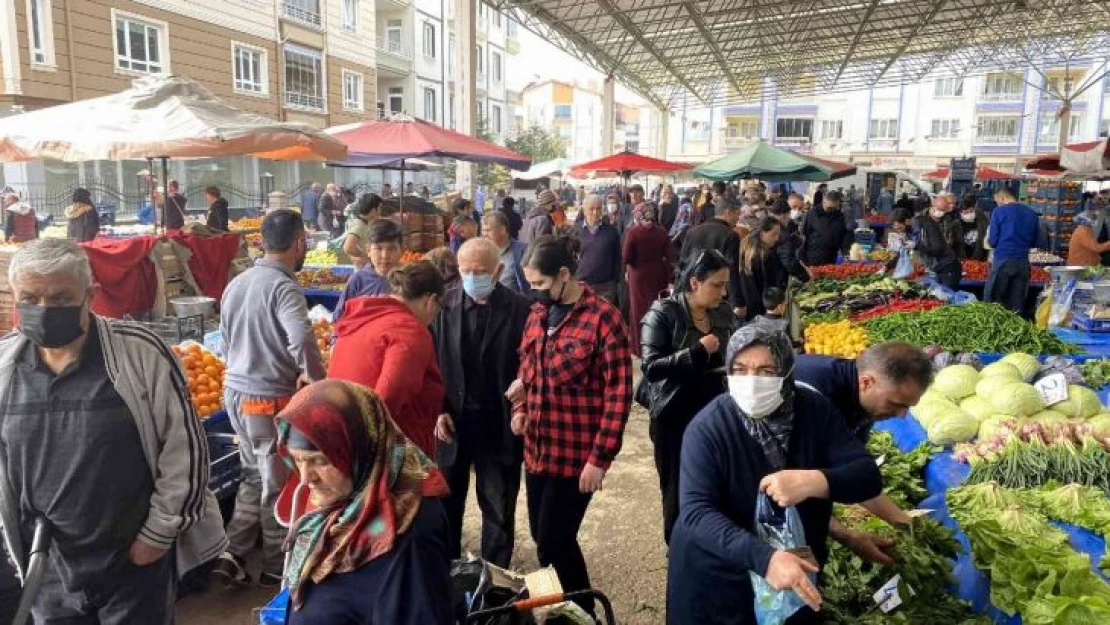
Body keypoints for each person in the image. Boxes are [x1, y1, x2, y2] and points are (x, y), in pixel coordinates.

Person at [0, 239, 226, 623]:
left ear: (90, 296)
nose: (43, 309)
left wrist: (156, 536)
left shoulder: (141, 354)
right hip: (46, 567)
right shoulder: (5, 367)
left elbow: (185, 451)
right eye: (30, 298)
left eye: (59, 298)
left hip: (132, 563)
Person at [666, 325, 884, 625]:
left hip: (795, 569)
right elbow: (696, 513)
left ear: (786, 372)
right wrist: (764, 558)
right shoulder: (708, 428)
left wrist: (815, 481)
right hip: (721, 575)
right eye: (739, 370)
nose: (751, 382)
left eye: (766, 370)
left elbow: (867, 476)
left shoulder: (813, 410)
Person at [510, 235, 633, 614]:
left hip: (577, 456)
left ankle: (583, 611)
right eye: (530, 286)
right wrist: (522, 403)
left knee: (555, 539)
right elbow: (529, 366)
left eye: (541, 285)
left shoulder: (603, 318)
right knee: (541, 537)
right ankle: (567, 611)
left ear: (564, 274)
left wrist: (600, 458)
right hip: (538, 448)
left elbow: (619, 393)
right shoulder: (536, 314)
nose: (535, 293)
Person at [276, 380, 453, 625]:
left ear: (359, 449)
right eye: (298, 460)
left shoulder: (406, 536)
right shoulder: (352, 501)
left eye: (320, 461)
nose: (306, 478)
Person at [215, 209, 325, 588]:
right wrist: (317, 380)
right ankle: (277, 564)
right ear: (299, 243)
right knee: (277, 482)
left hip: (235, 392)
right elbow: (302, 338)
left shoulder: (239, 282)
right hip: (265, 399)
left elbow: (224, 340)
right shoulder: (284, 287)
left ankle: (233, 551)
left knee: (253, 472)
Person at [431, 238, 530, 568]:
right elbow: (429, 367)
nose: (473, 277)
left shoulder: (520, 309)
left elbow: (530, 362)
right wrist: (438, 410)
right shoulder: (442, 307)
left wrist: (524, 390)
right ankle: (446, 579)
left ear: (499, 270)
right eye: (466, 271)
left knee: (498, 509)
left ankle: (494, 588)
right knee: (447, 507)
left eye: (481, 271)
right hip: (453, 423)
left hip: (498, 422)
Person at [793, 342, 933, 543]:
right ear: (866, 382)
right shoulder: (813, 397)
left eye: (908, 407)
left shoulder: (863, 402)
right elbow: (796, 485)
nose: (901, 416)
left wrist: (902, 521)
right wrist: (844, 534)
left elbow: (851, 471)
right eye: (895, 403)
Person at [639, 249, 733, 543]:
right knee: (676, 491)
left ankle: (706, 544)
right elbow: (651, 367)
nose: (723, 292)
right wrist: (696, 352)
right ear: (694, 283)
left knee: (712, 486)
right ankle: (678, 549)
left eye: (724, 284)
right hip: (673, 418)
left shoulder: (722, 313)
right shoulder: (663, 313)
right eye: (716, 285)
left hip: (712, 415)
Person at [329, 261, 445, 458]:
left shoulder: (362, 318)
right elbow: (389, 395)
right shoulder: (410, 331)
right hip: (388, 447)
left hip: (345, 430)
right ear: (431, 300)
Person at [623, 204, 673, 354]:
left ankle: (640, 348)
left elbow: (625, 257)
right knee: (657, 311)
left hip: (638, 276)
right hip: (659, 275)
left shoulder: (633, 232)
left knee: (638, 312)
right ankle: (656, 346)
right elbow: (670, 257)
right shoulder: (662, 232)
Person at [681, 200, 744, 318]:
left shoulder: (692, 231)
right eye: (737, 214)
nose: (738, 218)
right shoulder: (731, 235)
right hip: (717, 297)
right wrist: (738, 303)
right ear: (728, 213)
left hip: (693, 293)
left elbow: (683, 263)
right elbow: (732, 271)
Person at [334, 219, 402, 321]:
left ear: (402, 249)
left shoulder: (408, 281)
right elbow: (339, 318)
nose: (385, 256)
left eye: (391, 248)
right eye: (378, 249)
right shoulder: (358, 280)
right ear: (368, 250)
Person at [986, 187, 1041, 314]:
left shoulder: (998, 212)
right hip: (1022, 263)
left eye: (996, 200)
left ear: (1001, 197)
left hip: (1003, 261)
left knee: (994, 301)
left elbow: (993, 241)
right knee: (1017, 303)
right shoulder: (1031, 213)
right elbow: (1035, 242)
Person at [736, 217, 791, 322]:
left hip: (748, 308)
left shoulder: (744, 248)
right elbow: (770, 287)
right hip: (762, 310)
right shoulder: (765, 256)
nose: (777, 238)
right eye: (774, 234)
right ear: (762, 233)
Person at [576, 195, 623, 305]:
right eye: (591, 209)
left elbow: (617, 258)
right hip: (581, 285)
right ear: (584, 210)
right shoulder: (575, 230)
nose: (595, 212)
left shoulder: (611, 231)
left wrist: (614, 282)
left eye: (598, 209)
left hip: (606, 286)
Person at [916, 192, 963, 290]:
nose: (940, 212)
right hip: (926, 262)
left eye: (943, 210)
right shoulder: (920, 219)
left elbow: (956, 242)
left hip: (944, 263)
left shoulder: (949, 221)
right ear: (932, 205)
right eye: (938, 209)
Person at [799, 189, 852, 266]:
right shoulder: (811, 214)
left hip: (832, 257)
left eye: (835, 207)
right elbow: (804, 235)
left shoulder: (839, 215)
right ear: (824, 201)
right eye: (830, 207)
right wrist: (801, 257)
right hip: (813, 258)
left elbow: (843, 234)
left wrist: (845, 251)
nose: (832, 210)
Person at [483, 209, 529, 293]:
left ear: (502, 230)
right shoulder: (483, 253)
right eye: (483, 230)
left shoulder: (523, 251)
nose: (484, 234)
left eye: (488, 230)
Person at [773, 196, 810, 284]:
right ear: (784, 215)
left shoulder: (788, 226)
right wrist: (805, 277)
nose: (797, 211)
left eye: (800, 208)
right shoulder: (781, 234)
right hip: (778, 276)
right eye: (794, 207)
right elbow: (788, 261)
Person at [341, 193, 383, 269]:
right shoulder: (359, 225)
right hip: (363, 266)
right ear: (373, 210)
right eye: (379, 208)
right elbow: (348, 247)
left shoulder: (362, 221)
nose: (381, 211)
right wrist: (365, 257)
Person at [959, 195, 990, 261]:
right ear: (961, 213)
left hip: (980, 257)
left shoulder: (982, 221)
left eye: (971, 211)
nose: (969, 214)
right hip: (962, 258)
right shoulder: (957, 224)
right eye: (966, 212)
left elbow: (984, 239)